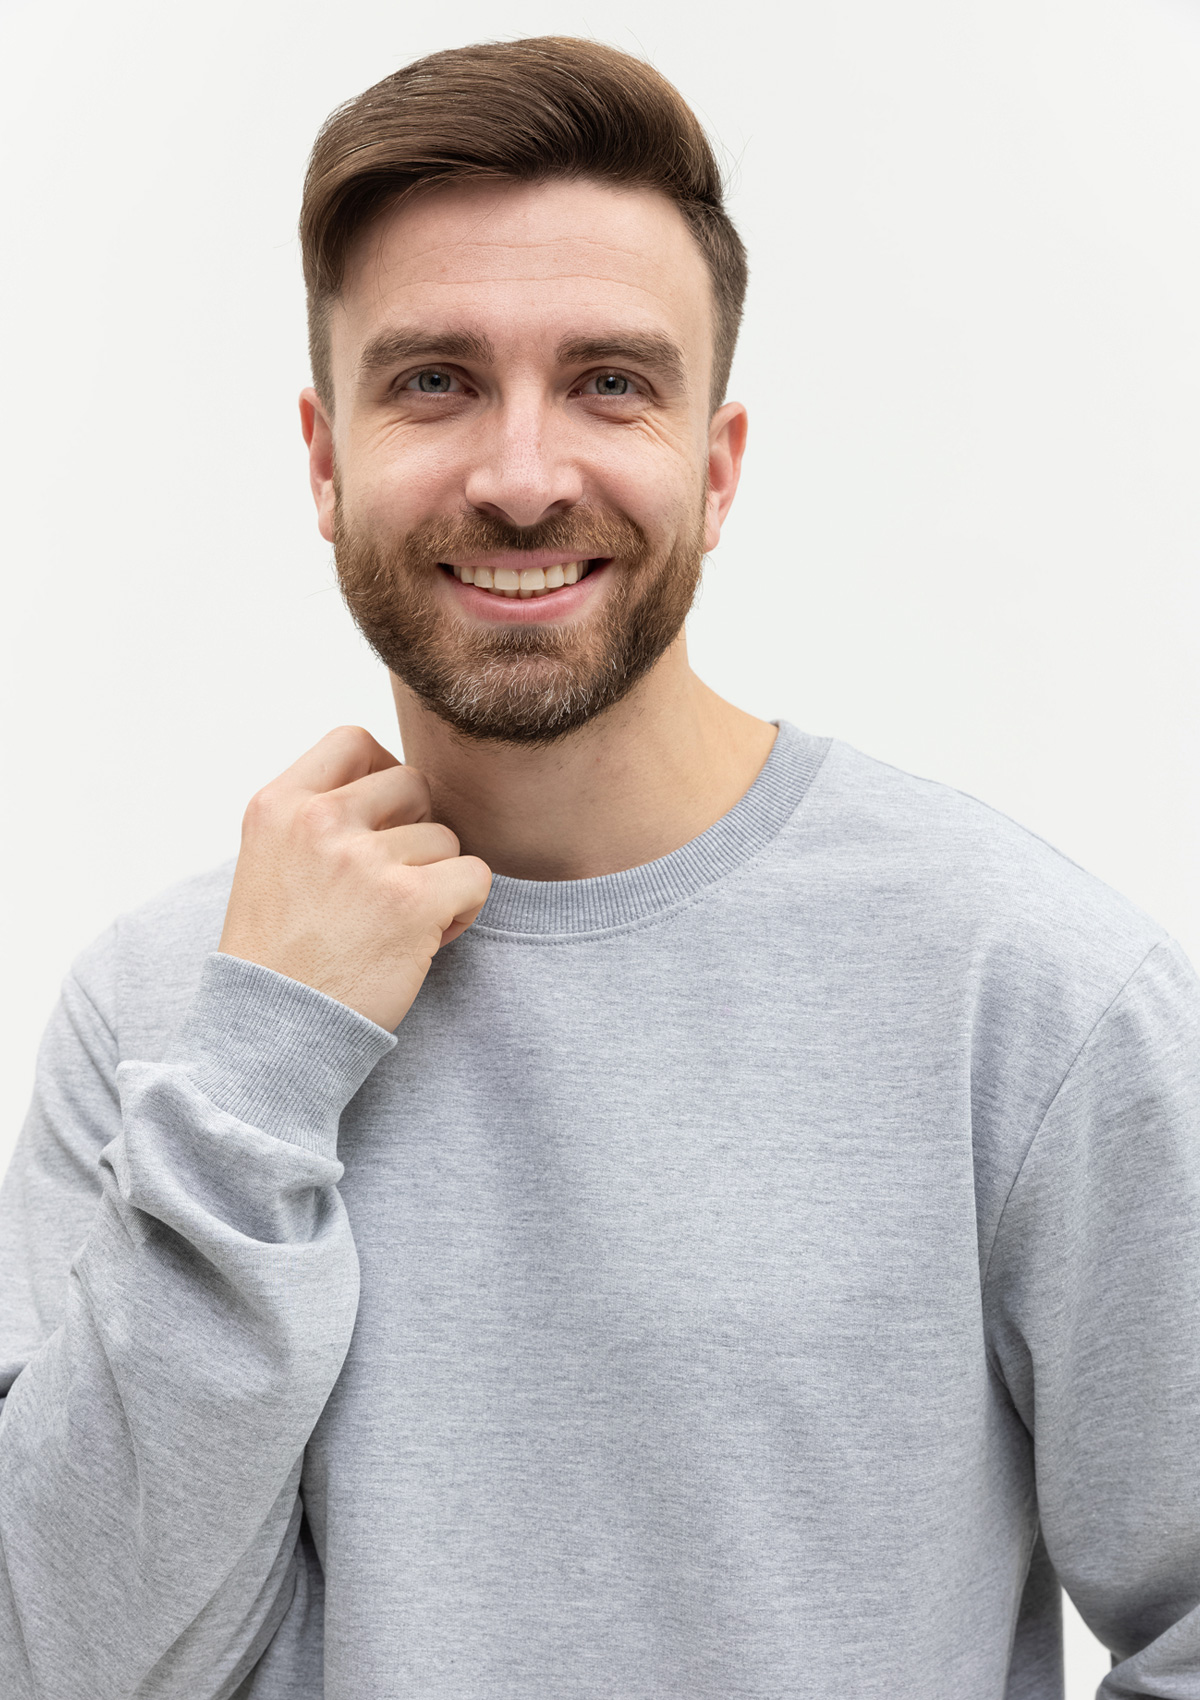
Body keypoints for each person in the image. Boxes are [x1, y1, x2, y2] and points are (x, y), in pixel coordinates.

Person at [0, 34, 1196, 1700]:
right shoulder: (169, 1010)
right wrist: (262, 1061)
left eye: (611, 383)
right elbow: (52, 1659)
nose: (521, 476)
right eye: (434, 381)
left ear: (717, 465)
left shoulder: (1028, 993)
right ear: (324, 459)